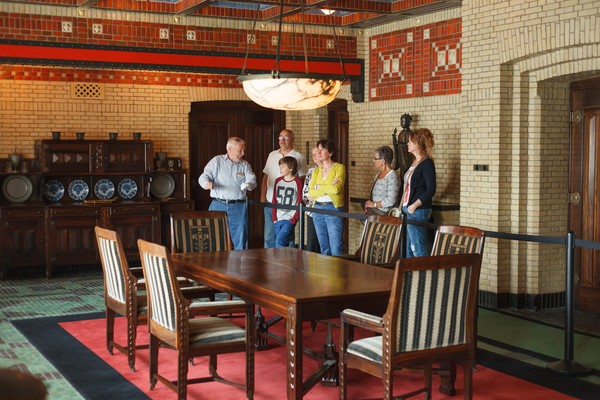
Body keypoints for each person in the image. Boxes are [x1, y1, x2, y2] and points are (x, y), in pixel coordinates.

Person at [198, 136, 256, 250]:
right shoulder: (217, 161)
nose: (243, 153)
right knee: (214, 238)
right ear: (229, 149)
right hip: (218, 205)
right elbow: (204, 176)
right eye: (240, 150)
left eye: (244, 150)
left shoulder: (245, 165)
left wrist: (249, 184)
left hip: (239, 207)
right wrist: (206, 183)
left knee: (240, 239)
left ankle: (239, 261)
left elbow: (252, 179)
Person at [261, 129, 307, 248]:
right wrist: (262, 197)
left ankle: (288, 259)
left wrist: (300, 202)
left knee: (287, 237)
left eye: (286, 137)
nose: (282, 140)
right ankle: (269, 259)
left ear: (292, 139)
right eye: (280, 137)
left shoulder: (299, 157)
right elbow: (266, 176)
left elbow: (302, 179)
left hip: (289, 205)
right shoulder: (272, 155)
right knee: (269, 236)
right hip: (271, 201)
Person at [401, 128, 436, 257]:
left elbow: (431, 189)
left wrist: (414, 206)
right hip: (408, 209)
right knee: (409, 248)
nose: (407, 144)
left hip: (418, 211)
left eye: (410, 142)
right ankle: (410, 271)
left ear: (417, 144)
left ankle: (426, 270)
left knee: (418, 248)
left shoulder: (426, 164)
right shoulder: (414, 162)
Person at [308, 139, 346, 256]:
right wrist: (328, 188)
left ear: (331, 152)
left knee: (336, 247)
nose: (319, 152)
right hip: (317, 209)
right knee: (324, 247)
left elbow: (336, 190)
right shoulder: (316, 171)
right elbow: (311, 193)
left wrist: (319, 187)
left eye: (322, 149)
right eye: (318, 149)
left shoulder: (339, 167)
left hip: (333, 207)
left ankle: (337, 268)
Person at [271, 157, 303, 248]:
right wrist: (274, 218)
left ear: (291, 168)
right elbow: (274, 200)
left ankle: (279, 257)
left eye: (283, 166)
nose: (280, 168)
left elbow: (300, 201)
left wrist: (294, 219)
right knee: (289, 242)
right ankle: (291, 257)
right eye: (280, 166)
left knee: (280, 241)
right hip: (278, 218)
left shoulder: (298, 182)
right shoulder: (278, 181)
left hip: (290, 218)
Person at [364, 145, 400, 215]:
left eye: (375, 158)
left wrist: (374, 204)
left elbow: (391, 200)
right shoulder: (377, 175)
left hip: (384, 216)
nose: (373, 160)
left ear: (383, 161)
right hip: (373, 213)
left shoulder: (392, 176)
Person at [302, 147, 322, 253]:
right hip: (312, 210)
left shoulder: (334, 169)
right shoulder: (311, 171)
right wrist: (320, 194)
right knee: (312, 241)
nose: (314, 156)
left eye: (316, 154)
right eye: (312, 154)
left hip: (327, 211)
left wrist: (317, 193)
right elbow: (305, 194)